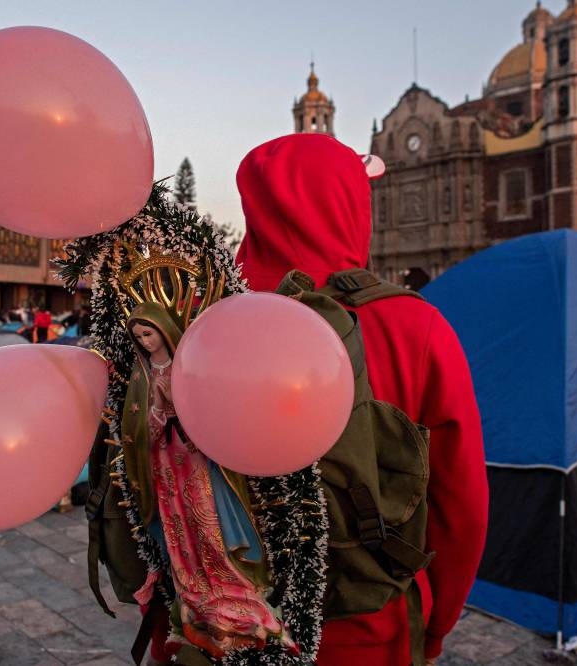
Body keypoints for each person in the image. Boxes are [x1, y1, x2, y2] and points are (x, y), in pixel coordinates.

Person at [234, 134, 488, 666]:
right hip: (372, 633)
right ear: (349, 203)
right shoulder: (414, 326)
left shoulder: (196, 323)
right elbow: (460, 503)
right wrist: (437, 624)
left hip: (221, 630)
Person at [122, 302, 295, 660]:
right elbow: (140, 429)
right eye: (139, 337)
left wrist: (181, 409)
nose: (145, 341)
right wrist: (156, 406)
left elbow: (209, 407)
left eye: (149, 333)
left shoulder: (188, 366)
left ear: (164, 330)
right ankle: (194, 585)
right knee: (179, 525)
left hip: (195, 458)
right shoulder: (142, 374)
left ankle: (230, 579)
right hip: (165, 465)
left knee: (207, 518)